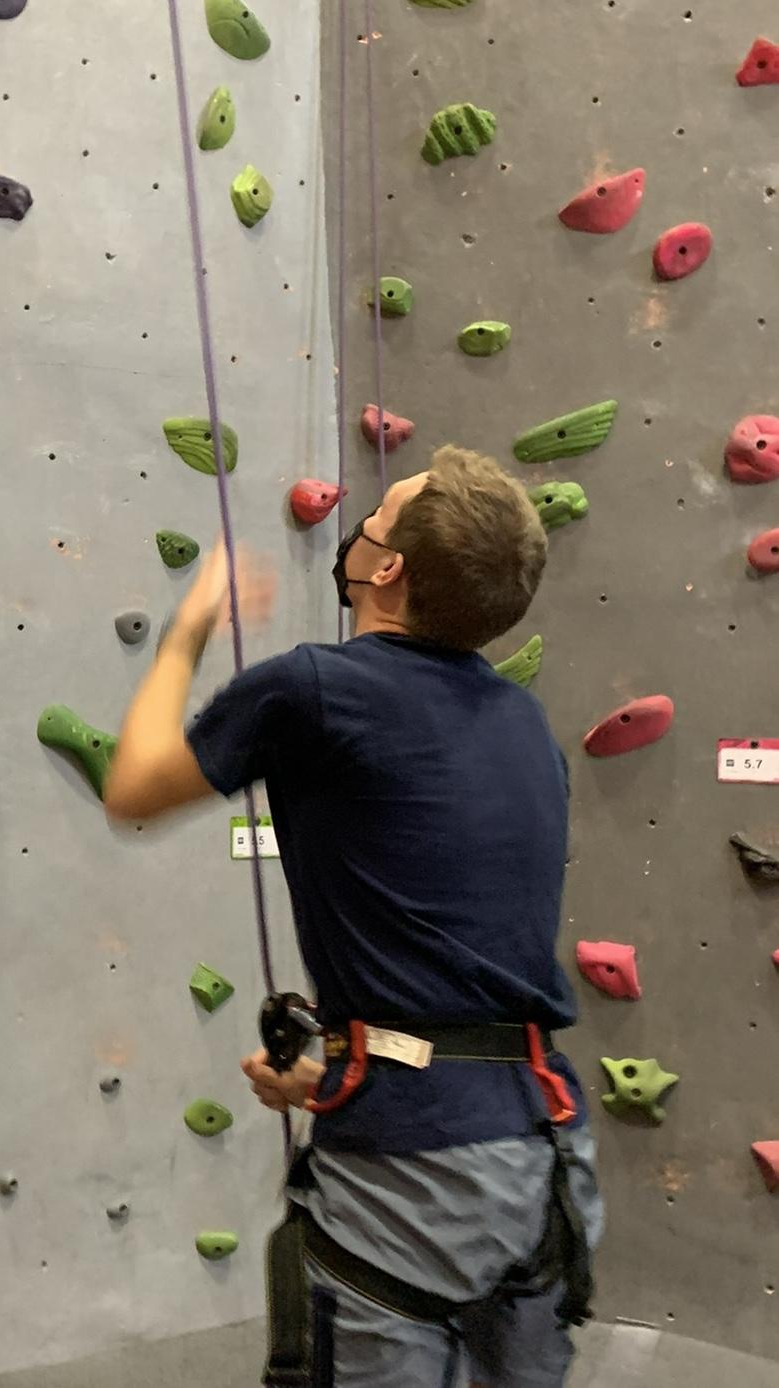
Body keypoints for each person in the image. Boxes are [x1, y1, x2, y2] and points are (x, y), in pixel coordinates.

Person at [103, 446, 603, 1387]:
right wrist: (341, 1070)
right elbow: (458, 963)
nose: (361, 524)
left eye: (377, 516)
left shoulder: (315, 688)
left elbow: (133, 788)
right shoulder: (524, 723)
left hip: (416, 1175)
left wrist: (188, 629)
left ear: (388, 570)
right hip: (542, 1151)